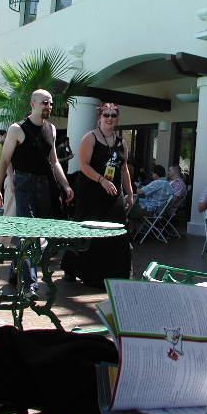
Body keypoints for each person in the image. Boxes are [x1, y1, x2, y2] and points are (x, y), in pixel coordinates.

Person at [0, 89, 74, 296]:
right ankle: (30, 284)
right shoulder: (17, 129)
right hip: (24, 184)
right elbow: (5, 161)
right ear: (33, 104)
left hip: (45, 185)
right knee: (28, 233)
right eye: (45, 102)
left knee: (38, 234)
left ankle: (16, 269)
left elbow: (54, 161)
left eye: (51, 103)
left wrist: (65, 185)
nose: (48, 106)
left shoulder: (51, 129)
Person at [61, 102, 133, 287]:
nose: (110, 118)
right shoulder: (90, 137)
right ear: (100, 118)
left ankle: (112, 273)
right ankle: (74, 269)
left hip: (113, 192)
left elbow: (124, 169)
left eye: (113, 115)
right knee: (86, 231)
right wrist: (102, 180)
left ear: (117, 119)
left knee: (116, 231)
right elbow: (83, 165)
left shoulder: (121, 142)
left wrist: (130, 193)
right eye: (106, 115)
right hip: (91, 191)